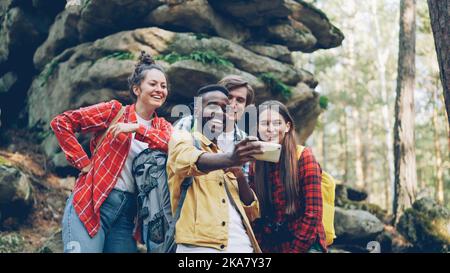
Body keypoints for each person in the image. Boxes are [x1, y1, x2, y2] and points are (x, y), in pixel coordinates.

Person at [50, 51, 173, 253]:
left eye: (163, 86)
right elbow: (62, 122)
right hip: (91, 204)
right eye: (153, 84)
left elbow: (173, 146)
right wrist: (83, 162)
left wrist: (137, 129)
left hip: (126, 217)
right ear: (136, 89)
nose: (159, 89)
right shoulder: (114, 112)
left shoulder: (162, 126)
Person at [167, 84, 263, 253]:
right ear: (197, 110)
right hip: (200, 246)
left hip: (244, 245)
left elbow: (252, 211)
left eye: (224, 108)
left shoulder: (225, 153)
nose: (219, 112)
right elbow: (187, 159)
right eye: (212, 105)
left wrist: (239, 175)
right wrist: (230, 159)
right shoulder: (183, 137)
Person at [249, 100, 327, 253]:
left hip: (306, 243)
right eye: (265, 123)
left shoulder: (304, 157)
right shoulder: (255, 165)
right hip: (273, 246)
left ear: (287, 126)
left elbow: (313, 214)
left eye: (277, 123)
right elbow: (257, 217)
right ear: (257, 128)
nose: (271, 129)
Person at [173, 75, 255, 178]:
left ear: (245, 108)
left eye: (240, 100)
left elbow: (244, 180)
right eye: (229, 97)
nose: (233, 104)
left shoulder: (244, 139)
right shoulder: (190, 123)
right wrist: (231, 159)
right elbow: (177, 161)